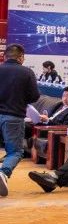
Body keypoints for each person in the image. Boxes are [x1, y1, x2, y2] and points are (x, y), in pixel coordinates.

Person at [0, 44, 40, 196]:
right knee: (15, 152)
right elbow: (34, 96)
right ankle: (3, 172)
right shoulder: (27, 72)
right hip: (13, 116)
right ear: (21, 57)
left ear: (4, 56)